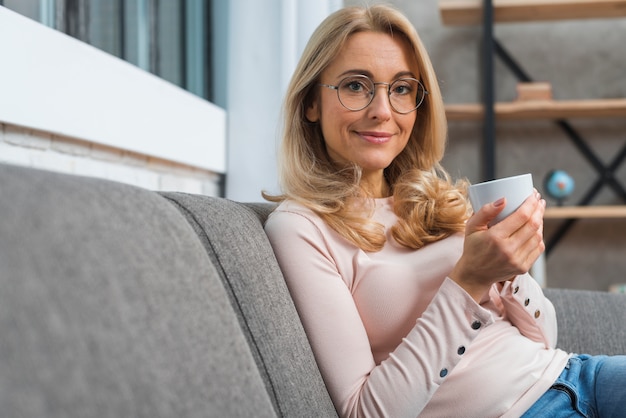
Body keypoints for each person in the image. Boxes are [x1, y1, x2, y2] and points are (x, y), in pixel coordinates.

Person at [263, 5, 626, 417]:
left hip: (579, 374)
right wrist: (468, 281)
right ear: (311, 102)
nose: (382, 110)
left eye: (401, 89)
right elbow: (365, 412)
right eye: (355, 85)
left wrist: (509, 273)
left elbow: (544, 340)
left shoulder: (438, 202)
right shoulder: (301, 227)